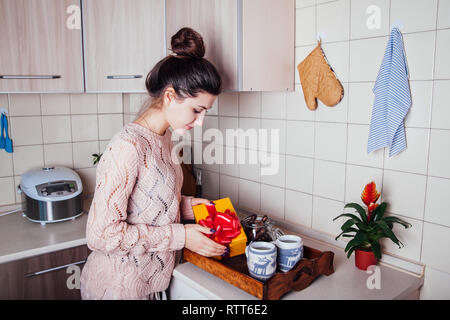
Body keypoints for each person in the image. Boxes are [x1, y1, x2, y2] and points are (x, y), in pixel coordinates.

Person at [80, 27, 227, 300]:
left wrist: (186, 206)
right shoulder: (128, 146)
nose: (200, 121)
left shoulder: (164, 138)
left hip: (149, 287)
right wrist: (181, 236)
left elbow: (146, 203)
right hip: (116, 289)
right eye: (197, 110)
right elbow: (101, 235)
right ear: (170, 96)